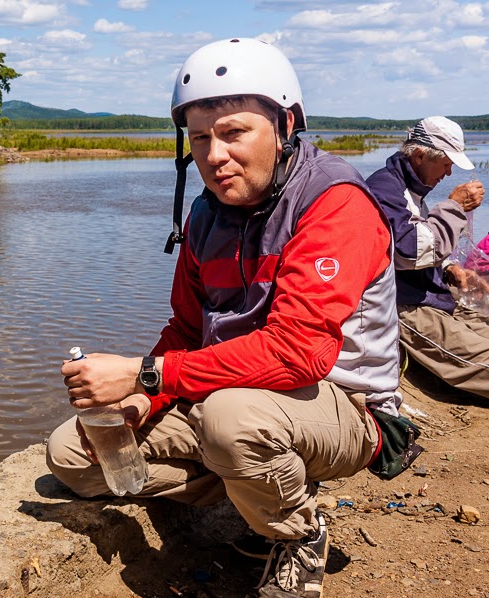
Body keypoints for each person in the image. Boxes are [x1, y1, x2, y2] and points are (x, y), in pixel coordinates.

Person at [46, 38, 402, 598]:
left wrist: (146, 375)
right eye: (200, 137)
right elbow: (186, 333)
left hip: (342, 404)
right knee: (77, 450)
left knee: (233, 421)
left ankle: (298, 533)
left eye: (234, 132)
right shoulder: (206, 214)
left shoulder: (335, 203)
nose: (214, 155)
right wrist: (146, 402)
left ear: (285, 126)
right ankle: (245, 487)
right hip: (230, 396)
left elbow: (299, 353)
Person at [366, 117, 488, 398]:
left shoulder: (410, 187)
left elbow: (417, 233)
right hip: (403, 304)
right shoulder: (384, 190)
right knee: (479, 360)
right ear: (420, 156)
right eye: (445, 164)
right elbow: (408, 251)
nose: (448, 173)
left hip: (427, 293)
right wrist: (454, 207)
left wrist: (450, 269)